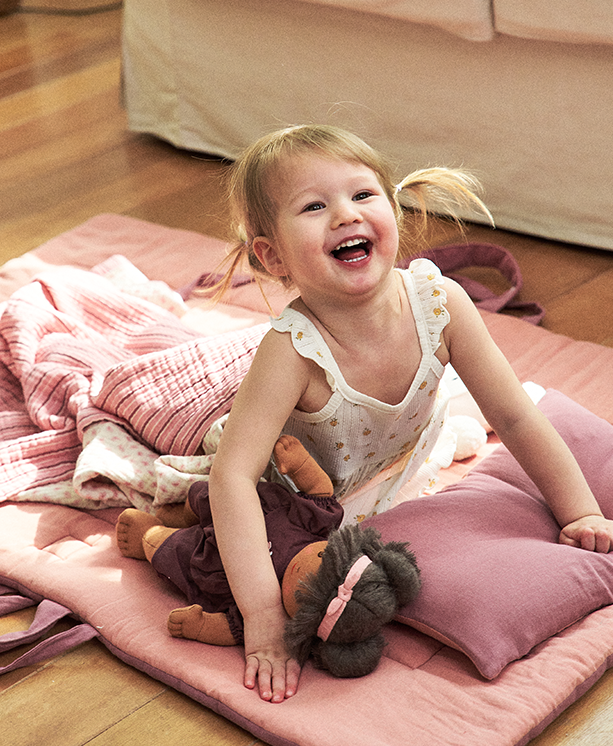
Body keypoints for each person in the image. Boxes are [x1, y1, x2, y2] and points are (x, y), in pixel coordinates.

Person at [206, 124, 613, 704]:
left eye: (362, 195)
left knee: (507, 398)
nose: (346, 215)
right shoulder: (291, 351)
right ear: (272, 256)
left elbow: (517, 418)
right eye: (314, 206)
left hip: (398, 462)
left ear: (393, 210)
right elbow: (232, 477)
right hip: (301, 500)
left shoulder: (440, 303)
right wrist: (264, 617)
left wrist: (581, 511)